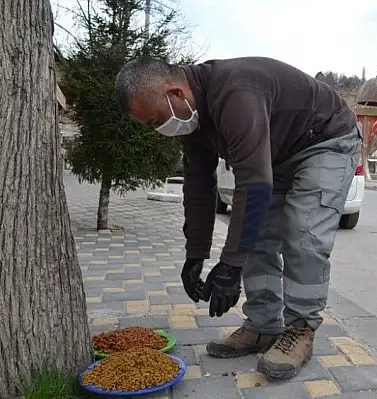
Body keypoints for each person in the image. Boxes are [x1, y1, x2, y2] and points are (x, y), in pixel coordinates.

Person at [114, 56, 361, 379]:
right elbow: (199, 187)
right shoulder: (193, 120)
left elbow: (254, 184)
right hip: (280, 152)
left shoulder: (236, 93)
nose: (159, 129)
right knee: (255, 235)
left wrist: (230, 265)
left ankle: (300, 329)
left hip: (325, 140)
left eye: (155, 120)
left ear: (175, 94)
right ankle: (263, 326)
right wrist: (196, 255)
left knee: (304, 233)